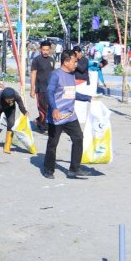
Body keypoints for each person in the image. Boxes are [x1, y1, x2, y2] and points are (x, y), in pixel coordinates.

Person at [43, 50, 92, 179]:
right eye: (74, 61)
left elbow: (71, 93)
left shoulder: (72, 75)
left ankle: (74, 169)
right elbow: (49, 92)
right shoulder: (55, 75)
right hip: (57, 116)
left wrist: (88, 97)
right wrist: (54, 109)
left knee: (78, 138)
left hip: (70, 116)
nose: (76, 64)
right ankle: (48, 169)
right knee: (53, 143)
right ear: (65, 62)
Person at [30, 40, 55, 134]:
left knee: (50, 108)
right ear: (41, 49)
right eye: (44, 49)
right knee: (42, 108)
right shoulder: (36, 60)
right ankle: (43, 127)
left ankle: (40, 121)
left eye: (47, 50)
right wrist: (32, 89)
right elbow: (33, 74)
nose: (45, 52)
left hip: (50, 89)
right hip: (40, 88)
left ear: (50, 50)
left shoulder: (51, 60)